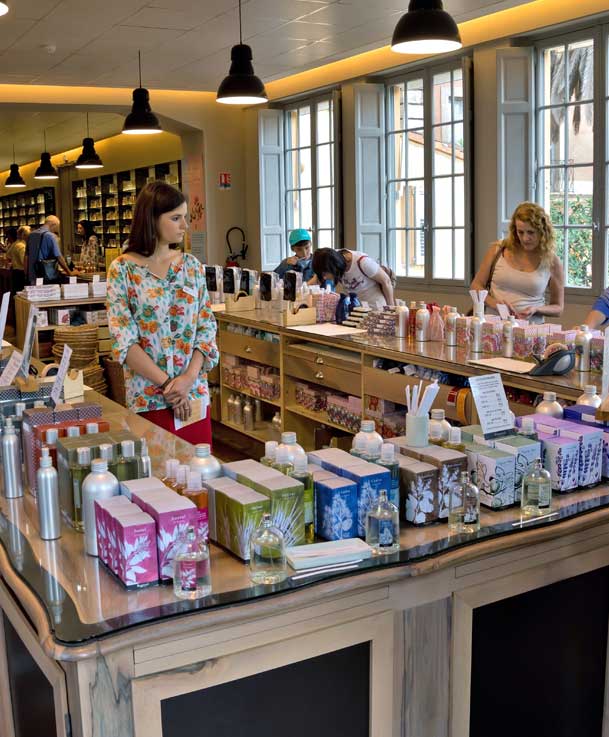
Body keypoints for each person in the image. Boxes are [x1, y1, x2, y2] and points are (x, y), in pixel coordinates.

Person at [106, 181, 219, 444]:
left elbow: (206, 327)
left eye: (185, 217)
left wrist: (188, 379)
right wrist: (169, 385)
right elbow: (124, 341)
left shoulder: (191, 267)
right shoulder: (122, 270)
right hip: (149, 397)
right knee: (155, 468)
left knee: (198, 466)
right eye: (176, 218)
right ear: (152, 219)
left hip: (192, 394)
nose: (185, 225)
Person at [470, 202, 564, 323]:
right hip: (493, 324)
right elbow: (476, 286)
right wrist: (494, 303)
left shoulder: (552, 261)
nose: (525, 238)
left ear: (542, 231)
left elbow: (558, 308)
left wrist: (536, 309)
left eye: (531, 232)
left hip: (531, 328)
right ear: (515, 231)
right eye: (520, 232)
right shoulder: (498, 249)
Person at [310, 248, 395, 309]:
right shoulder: (328, 260)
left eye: (325, 274)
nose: (324, 278)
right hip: (354, 304)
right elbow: (314, 281)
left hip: (374, 303)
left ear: (334, 266)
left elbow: (386, 281)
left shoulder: (363, 262)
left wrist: (392, 309)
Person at [24, 215, 77, 285]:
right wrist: (69, 272)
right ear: (53, 225)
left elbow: (26, 256)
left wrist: (26, 274)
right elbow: (58, 256)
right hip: (46, 275)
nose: (56, 230)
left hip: (32, 275)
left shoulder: (32, 235)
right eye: (57, 227)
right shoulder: (50, 236)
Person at [5, 226, 29, 293]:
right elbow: (23, 262)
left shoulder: (15, 244)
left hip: (15, 272)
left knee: (16, 292)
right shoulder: (22, 246)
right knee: (21, 293)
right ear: (24, 235)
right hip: (21, 273)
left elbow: (8, 256)